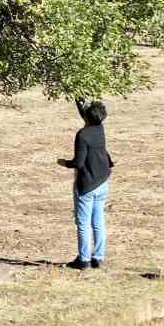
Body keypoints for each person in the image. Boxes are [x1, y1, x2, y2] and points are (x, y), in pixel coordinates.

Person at [58, 99, 113, 270]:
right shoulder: (100, 128)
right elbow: (88, 117)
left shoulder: (82, 135)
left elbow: (79, 163)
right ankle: (98, 257)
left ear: (87, 118)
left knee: (83, 223)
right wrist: (79, 104)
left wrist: (64, 163)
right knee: (98, 222)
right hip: (102, 182)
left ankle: (84, 260)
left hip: (87, 185)